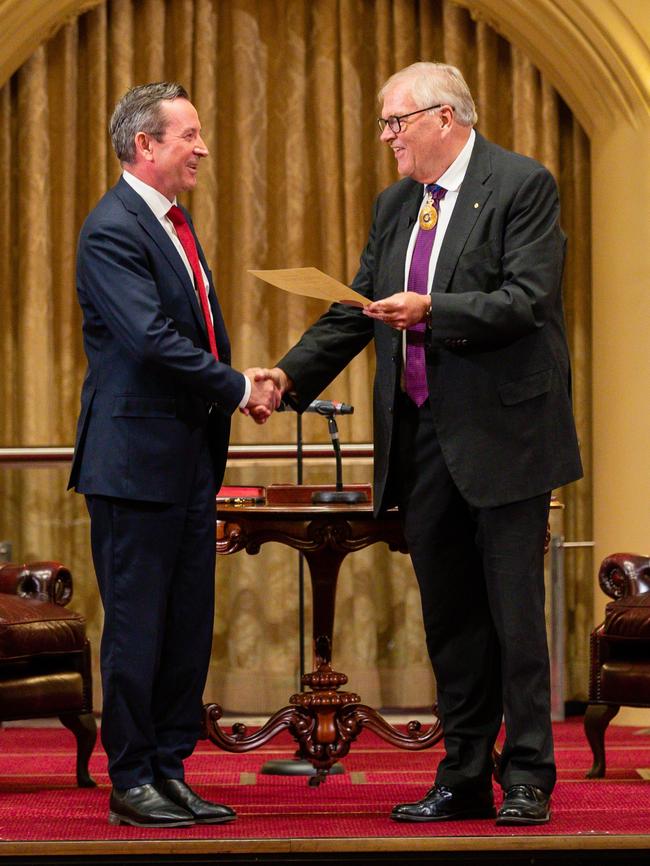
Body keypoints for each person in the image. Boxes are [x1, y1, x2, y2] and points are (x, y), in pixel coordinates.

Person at [260, 62, 583, 825]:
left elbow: (526, 300)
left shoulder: (520, 184)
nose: (386, 138)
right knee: (451, 620)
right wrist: (285, 377)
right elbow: (358, 309)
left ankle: (529, 774)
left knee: (513, 617)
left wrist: (433, 309)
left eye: (394, 123)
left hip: (506, 437)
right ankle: (464, 772)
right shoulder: (397, 203)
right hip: (423, 437)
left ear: (444, 117)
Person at [68, 82, 280, 828]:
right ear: (144, 146)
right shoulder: (112, 228)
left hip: (187, 460)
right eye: (188, 135)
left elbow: (191, 340)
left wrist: (233, 384)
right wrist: (236, 386)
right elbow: (152, 341)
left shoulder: (173, 223)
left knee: (186, 627)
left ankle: (168, 767)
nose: (203, 147)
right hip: (134, 466)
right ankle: (131, 780)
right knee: (138, 628)